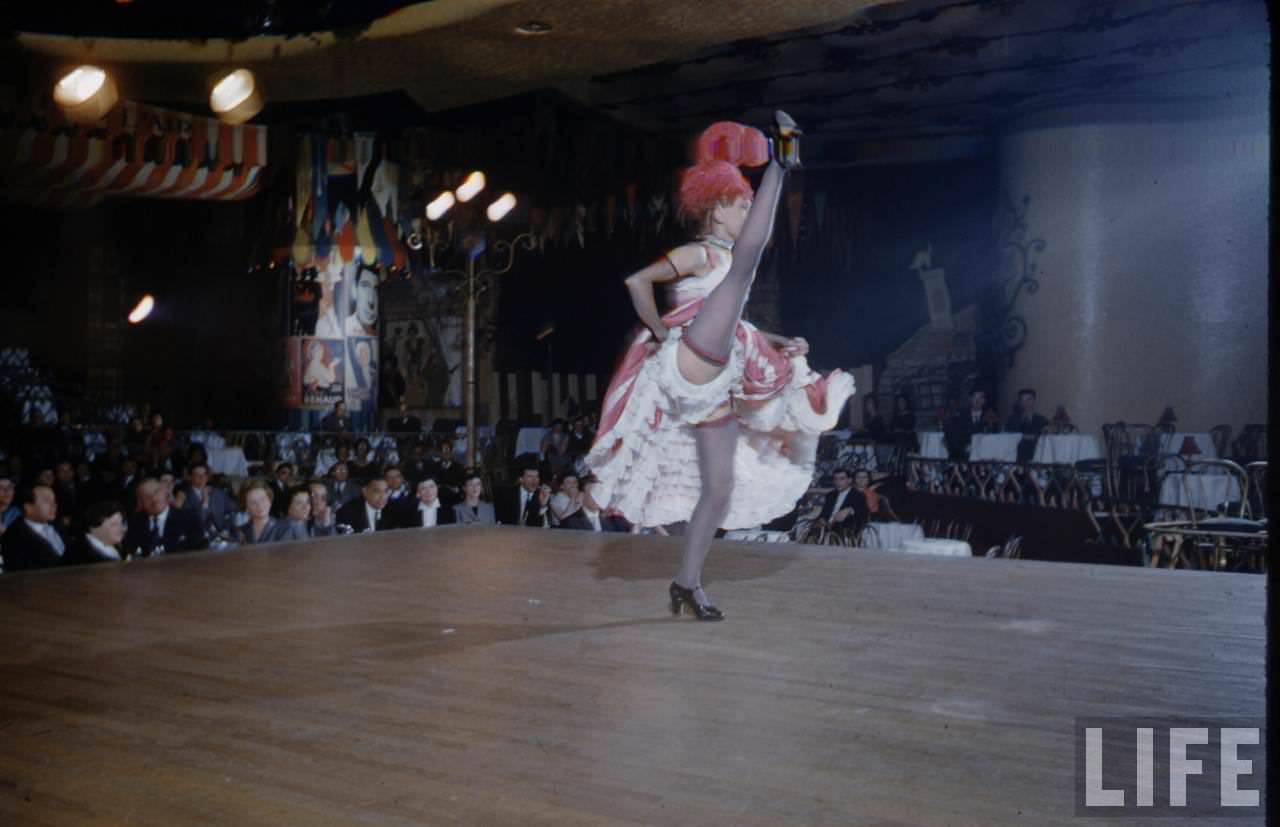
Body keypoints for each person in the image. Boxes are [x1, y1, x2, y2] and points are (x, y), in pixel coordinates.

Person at [585, 113, 852, 620]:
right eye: (743, 205)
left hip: (715, 377)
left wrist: (779, 341)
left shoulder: (727, 266)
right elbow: (637, 283)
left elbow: (734, 324)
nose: (746, 214)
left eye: (751, 205)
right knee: (746, 266)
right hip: (688, 361)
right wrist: (663, 333)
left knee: (720, 489)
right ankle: (782, 163)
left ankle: (687, 583)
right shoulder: (701, 254)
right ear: (718, 207)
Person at [124, 478, 209, 555]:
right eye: (147, 497)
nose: (154, 499)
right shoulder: (135, 522)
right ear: (140, 502)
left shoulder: (189, 518)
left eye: (156, 492)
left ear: (166, 493)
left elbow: (200, 550)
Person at [0, 484, 65, 571]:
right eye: (46, 501)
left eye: (54, 501)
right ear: (28, 507)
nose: (53, 505)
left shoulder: (59, 526)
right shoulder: (14, 536)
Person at [64, 500, 126, 565]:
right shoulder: (79, 552)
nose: (121, 529)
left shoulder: (118, 547)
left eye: (122, 523)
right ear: (95, 527)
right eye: (114, 524)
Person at [496, 462, 551, 527]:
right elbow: (500, 520)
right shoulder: (508, 494)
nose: (534, 480)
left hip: (531, 535)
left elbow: (541, 527)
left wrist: (543, 505)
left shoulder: (542, 495)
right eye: (530, 476)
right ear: (521, 479)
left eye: (537, 477)